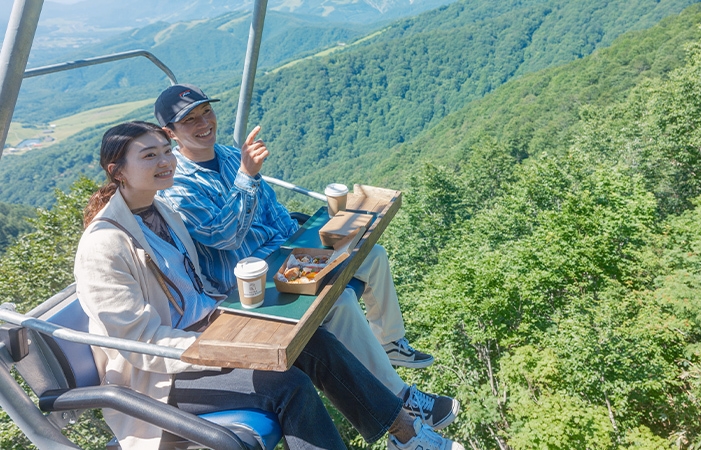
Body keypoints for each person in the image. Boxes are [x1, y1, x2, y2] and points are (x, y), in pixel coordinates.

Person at [74, 121, 464, 450]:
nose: (164, 161)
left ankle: (406, 434)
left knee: (315, 342)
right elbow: (137, 342)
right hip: (163, 377)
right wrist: (217, 348)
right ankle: (406, 430)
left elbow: (192, 288)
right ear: (118, 170)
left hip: (206, 333)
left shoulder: (162, 209)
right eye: (148, 155)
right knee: (287, 383)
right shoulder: (104, 244)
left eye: (165, 151)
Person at [154, 84, 459, 429]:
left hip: (285, 257)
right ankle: (401, 399)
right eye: (189, 119)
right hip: (251, 283)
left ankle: (389, 343)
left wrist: (304, 243)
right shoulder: (176, 183)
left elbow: (270, 207)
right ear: (170, 133)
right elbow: (224, 236)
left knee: (371, 255)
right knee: (339, 301)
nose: (203, 122)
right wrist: (247, 176)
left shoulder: (227, 155)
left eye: (206, 111)